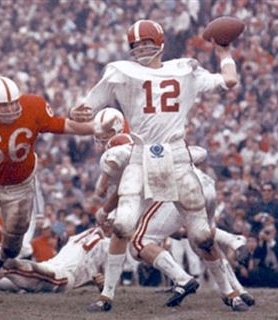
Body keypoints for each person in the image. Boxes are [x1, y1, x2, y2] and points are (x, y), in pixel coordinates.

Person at [70, 19, 243, 311]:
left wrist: (225, 54)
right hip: (140, 154)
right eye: (137, 45)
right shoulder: (120, 71)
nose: (142, 49)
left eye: (148, 43)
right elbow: (87, 106)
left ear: (161, 43)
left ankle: (230, 293)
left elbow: (229, 82)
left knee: (201, 234)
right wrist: (80, 109)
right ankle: (106, 295)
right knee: (124, 225)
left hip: (176, 156)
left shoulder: (184, 68)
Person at [0, 76, 94, 297]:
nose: (10, 109)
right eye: (3, 105)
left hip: (21, 185)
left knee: (12, 248)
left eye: (13, 103)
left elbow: (62, 125)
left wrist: (96, 128)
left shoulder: (32, 106)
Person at [94, 128, 253, 310]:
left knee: (139, 242)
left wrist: (104, 210)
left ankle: (183, 279)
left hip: (177, 191)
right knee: (203, 241)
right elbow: (200, 152)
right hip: (204, 185)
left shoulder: (126, 156)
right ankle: (236, 291)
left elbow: (115, 189)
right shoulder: (160, 146)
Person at [0, 225, 109, 294]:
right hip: (52, 268)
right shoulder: (96, 236)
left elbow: (105, 286)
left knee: (7, 266)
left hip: (63, 276)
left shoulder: (102, 241)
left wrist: (103, 284)